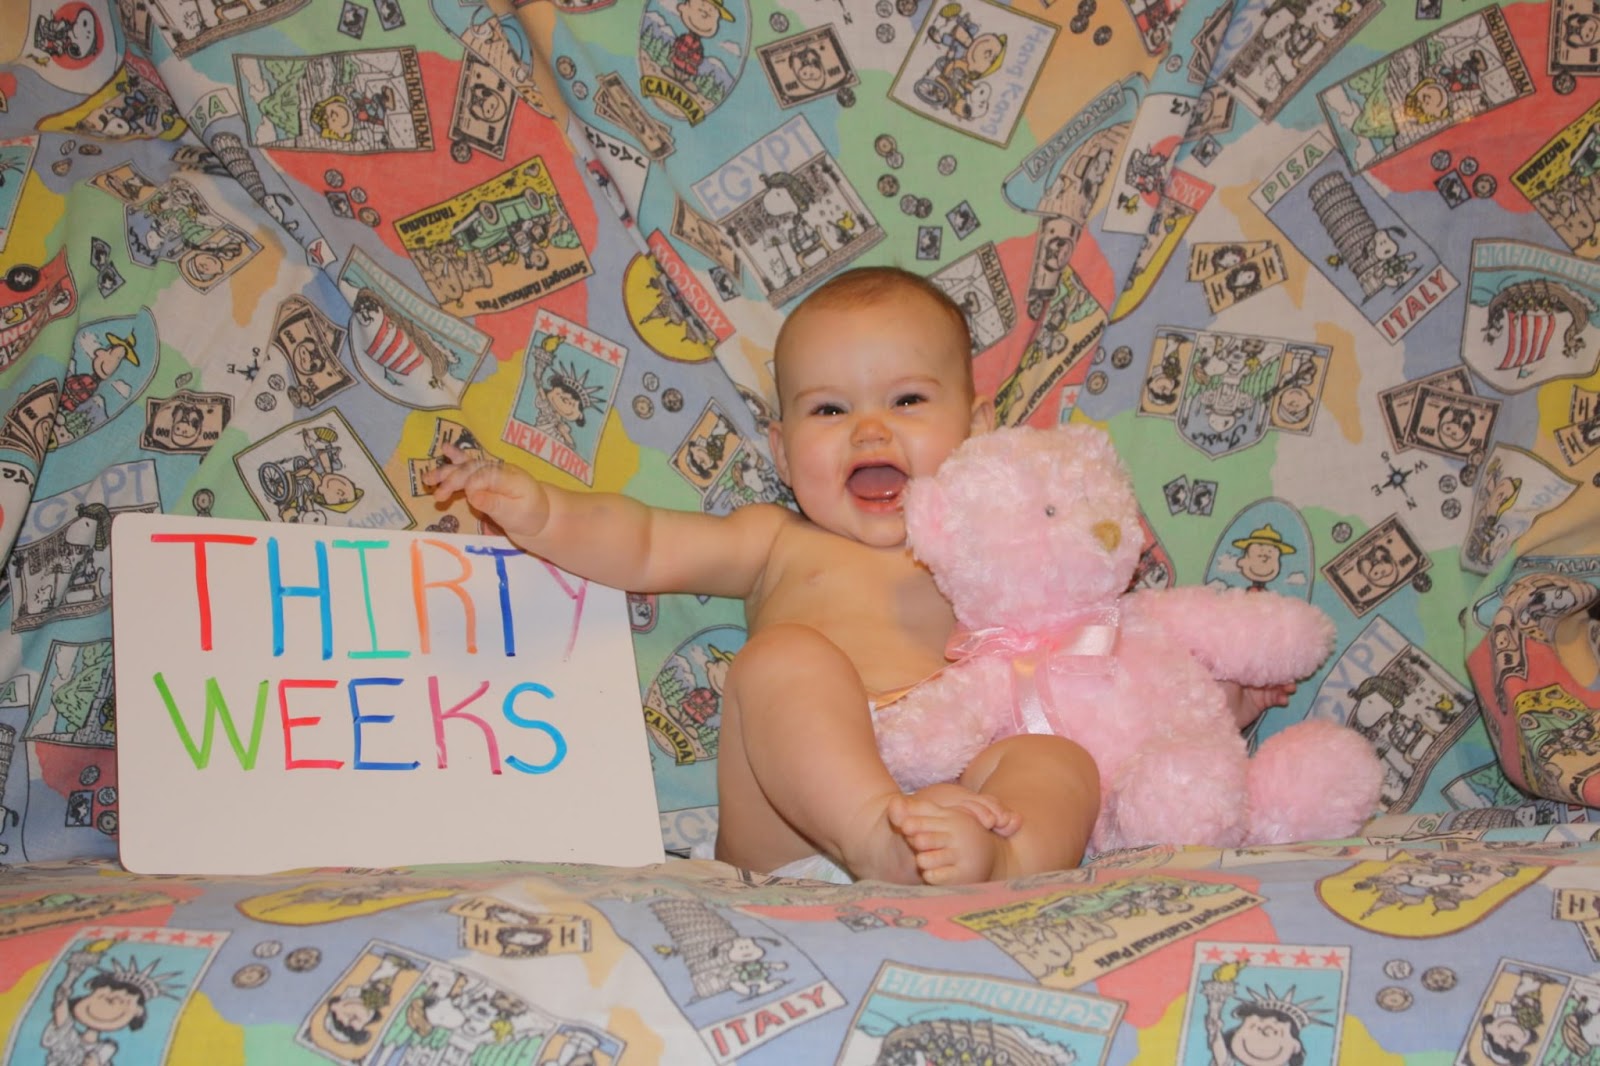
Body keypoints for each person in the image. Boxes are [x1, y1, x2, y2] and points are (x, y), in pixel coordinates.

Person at [429, 268, 1284, 884]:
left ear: (979, 427)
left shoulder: (1002, 554)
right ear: (780, 451)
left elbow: (1098, 656)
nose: (869, 430)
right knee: (782, 661)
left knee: (1055, 758)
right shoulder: (776, 541)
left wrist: (1213, 701)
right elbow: (646, 543)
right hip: (797, 833)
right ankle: (880, 838)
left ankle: (1005, 867)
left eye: (907, 401)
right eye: (830, 409)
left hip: (960, 806)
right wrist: (543, 513)